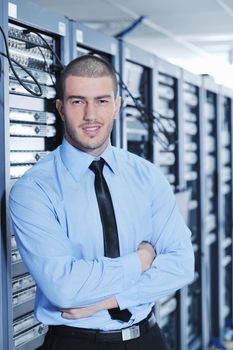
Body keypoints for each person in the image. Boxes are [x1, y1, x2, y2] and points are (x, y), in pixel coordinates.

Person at [9, 54, 194, 350]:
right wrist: (141, 261)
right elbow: (64, 288)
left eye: (102, 101)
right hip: (74, 343)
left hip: (147, 339)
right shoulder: (33, 189)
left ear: (117, 106)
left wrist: (104, 302)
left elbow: (182, 265)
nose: (91, 115)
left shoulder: (146, 175)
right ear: (60, 108)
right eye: (77, 101)